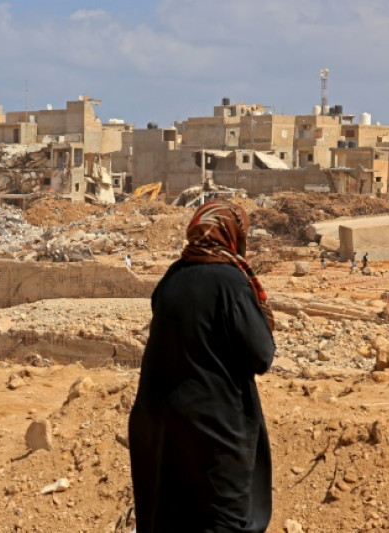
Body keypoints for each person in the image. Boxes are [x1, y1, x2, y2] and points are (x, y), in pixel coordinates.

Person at [129, 201, 275, 533]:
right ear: (235, 236)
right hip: (216, 427)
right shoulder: (231, 282)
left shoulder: (172, 276)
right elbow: (261, 355)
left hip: (160, 425)